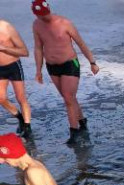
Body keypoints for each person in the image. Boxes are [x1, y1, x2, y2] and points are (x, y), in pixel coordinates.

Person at [31, 0, 99, 144]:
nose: (43, 18)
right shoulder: (37, 25)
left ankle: (74, 133)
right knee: (70, 98)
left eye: (44, 14)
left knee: (68, 98)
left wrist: (92, 63)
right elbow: (38, 48)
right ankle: (82, 122)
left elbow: (80, 43)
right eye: (39, 15)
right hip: (52, 66)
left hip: (70, 64)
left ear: (48, 9)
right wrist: (38, 70)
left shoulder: (65, 23)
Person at [0, 20, 31, 138]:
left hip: (13, 66)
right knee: (1, 98)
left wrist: (4, 48)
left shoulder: (7, 28)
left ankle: (28, 128)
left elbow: (24, 52)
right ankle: (20, 118)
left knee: (21, 98)